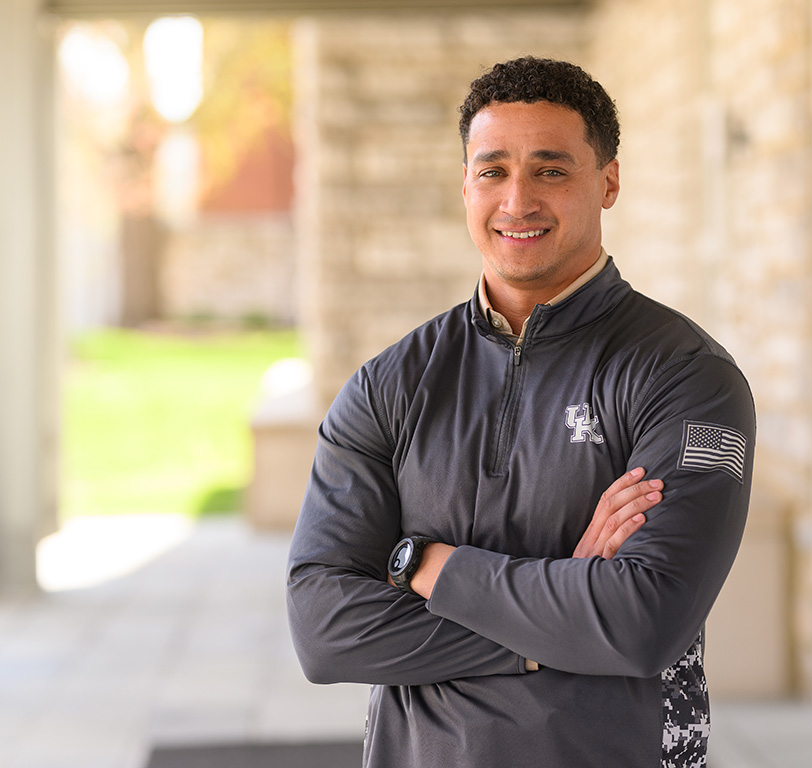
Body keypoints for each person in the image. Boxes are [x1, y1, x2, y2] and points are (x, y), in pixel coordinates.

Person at [287, 56, 755, 768]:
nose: (518, 200)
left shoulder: (688, 377)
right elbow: (323, 630)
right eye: (492, 170)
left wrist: (426, 565)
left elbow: (641, 621)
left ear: (609, 182)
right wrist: (562, 602)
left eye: (551, 169)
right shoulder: (390, 384)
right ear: (465, 184)